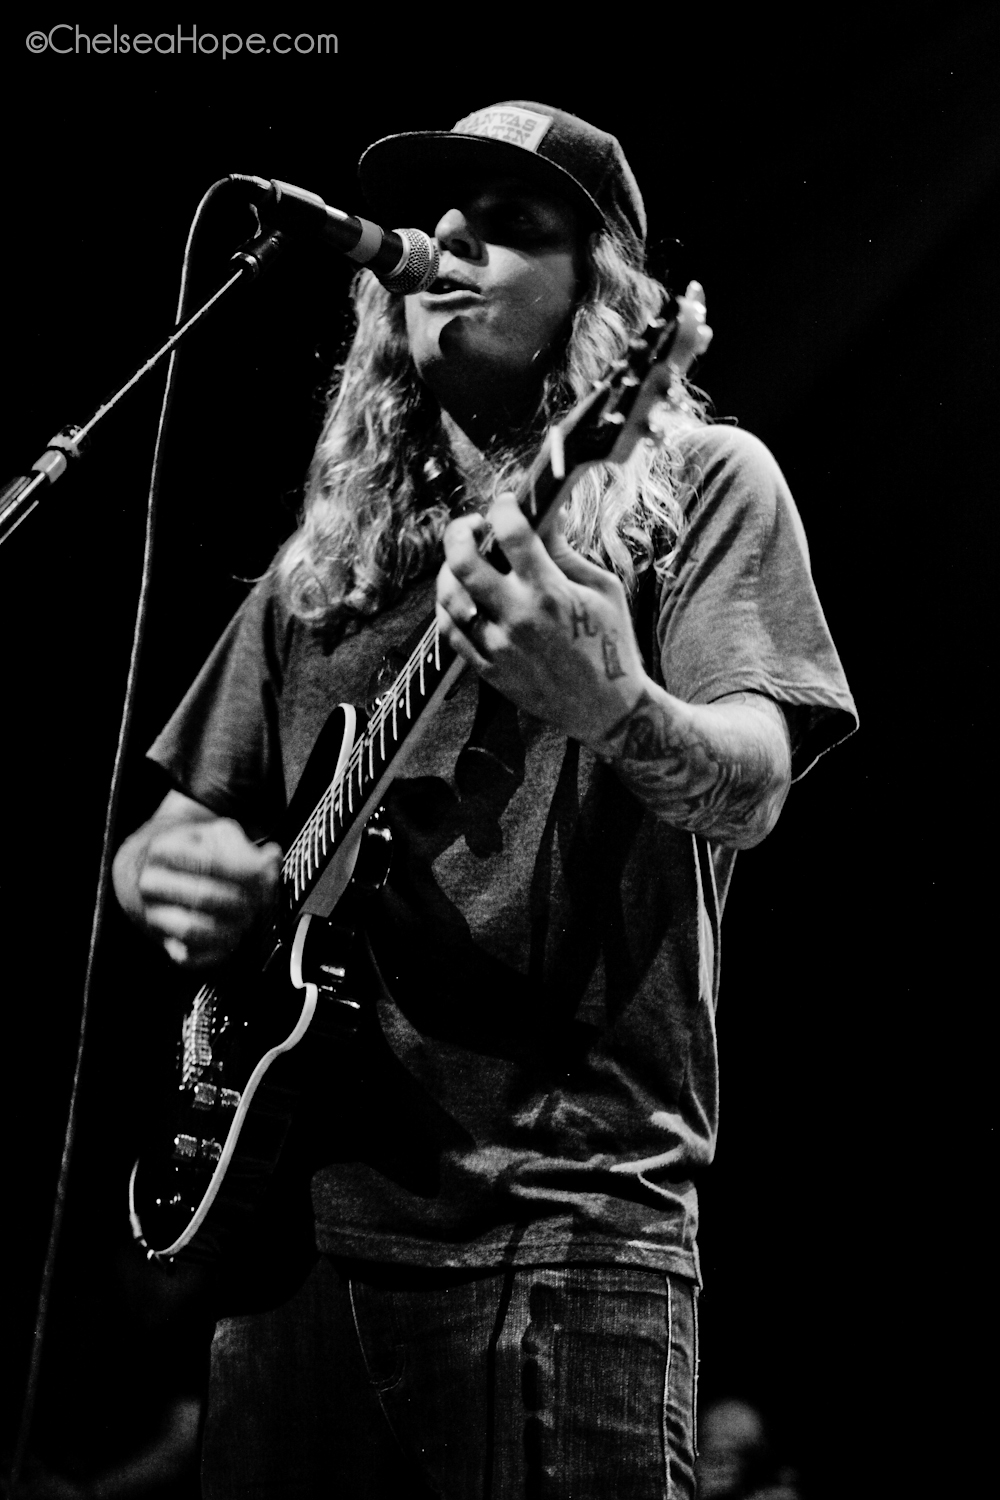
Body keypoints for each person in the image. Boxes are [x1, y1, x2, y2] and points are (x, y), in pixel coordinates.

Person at [113, 101, 857, 1499]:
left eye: (508, 227)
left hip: (563, 1232)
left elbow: (755, 784)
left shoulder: (700, 487)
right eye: (437, 223)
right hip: (288, 1245)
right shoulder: (328, 563)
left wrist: (616, 705)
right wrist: (176, 868)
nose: (446, 247)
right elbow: (176, 825)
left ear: (602, 302)